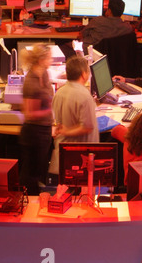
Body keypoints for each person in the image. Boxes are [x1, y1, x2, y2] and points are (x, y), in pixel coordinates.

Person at [49, 56, 99, 174]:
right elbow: (87, 127)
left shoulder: (59, 93)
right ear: (83, 74)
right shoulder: (85, 96)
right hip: (81, 159)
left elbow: (55, 122)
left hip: (62, 155)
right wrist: (66, 131)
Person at [18, 44, 54, 195]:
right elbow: (30, 114)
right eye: (49, 57)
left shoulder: (43, 73)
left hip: (43, 131)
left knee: (39, 170)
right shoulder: (31, 82)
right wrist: (50, 110)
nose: (51, 60)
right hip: (34, 133)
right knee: (31, 175)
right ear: (41, 60)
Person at [111, 112, 142, 185]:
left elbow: (115, 130)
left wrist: (129, 129)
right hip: (134, 187)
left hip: (127, 182)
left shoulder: (127, 137)